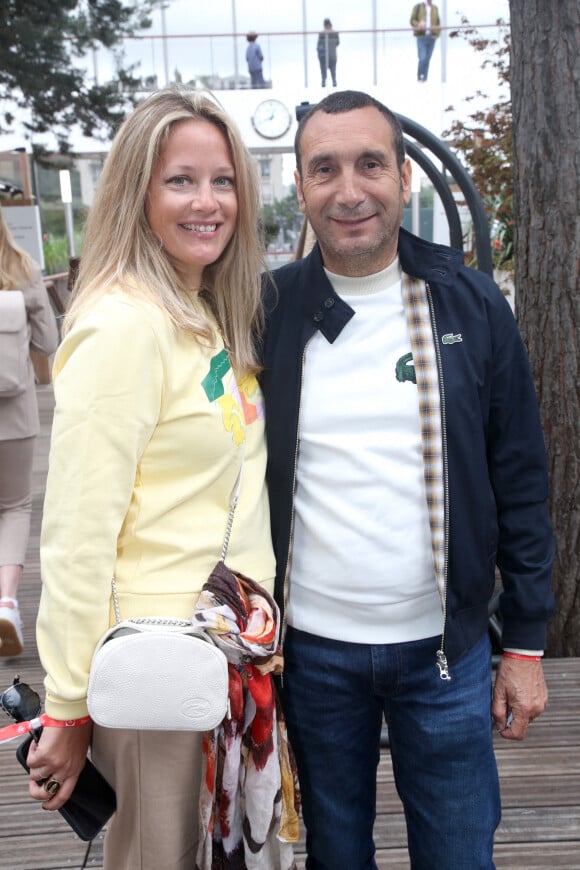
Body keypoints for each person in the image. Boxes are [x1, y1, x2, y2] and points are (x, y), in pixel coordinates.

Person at [260, 90, 555, 869]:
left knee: (460, 854)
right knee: (334, 857)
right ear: (300, 186)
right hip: (311, 654)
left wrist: (524, 643)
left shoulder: (469, 298)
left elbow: (520, 474)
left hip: (446, 651)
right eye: (325, 168)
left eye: (369, 164)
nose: (349, 190)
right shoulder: (269, 309)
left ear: (402, 177)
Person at [27, 85, 292, 870]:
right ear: (135, 192)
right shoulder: (122, 325)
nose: (207, 202)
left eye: (223, 180)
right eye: (180, 180)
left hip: (223, 655)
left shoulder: (199, 307)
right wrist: (68, 706)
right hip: (157, 669)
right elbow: (76, 533)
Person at [0, 207, 58, 657]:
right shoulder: (22, 268)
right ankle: (7, 602)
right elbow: (47, 346)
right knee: (14, 506)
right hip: (13, 415)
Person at [410, 0, 441, 82]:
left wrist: (437, 34)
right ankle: (419, 77)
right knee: (422, 58)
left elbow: (438, 22)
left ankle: (425, 79)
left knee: (427, 58)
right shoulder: (418, 7)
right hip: (421, 36)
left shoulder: (435, 8)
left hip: (432, 37)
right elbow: (412, 20)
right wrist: (419, 24)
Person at [316, 19, 339, 88]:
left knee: (330, 71)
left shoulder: (324, 34)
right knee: (329, 71)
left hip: (329, 55)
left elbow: (319, 45)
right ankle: (328, 81)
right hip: (328, 56)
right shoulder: (333, 33)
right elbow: (337, 43)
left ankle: (328, 81)